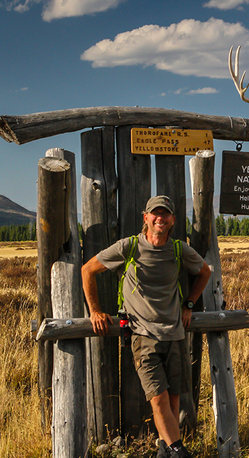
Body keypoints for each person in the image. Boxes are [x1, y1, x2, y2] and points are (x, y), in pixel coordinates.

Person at [82, 195, 211, 458]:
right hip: (143, 336)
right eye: (155, 213)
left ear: (173, 220)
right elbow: (87, 270)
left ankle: (166, 450)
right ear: (146, 218)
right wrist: (95, 311)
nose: (159, 218)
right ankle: (179, 451)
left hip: (175, 334)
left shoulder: (178, 249)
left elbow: (205, 272)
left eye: (165, 214)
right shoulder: (128, 247)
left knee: (174, 398)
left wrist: (189, 304)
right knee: (158, 398)